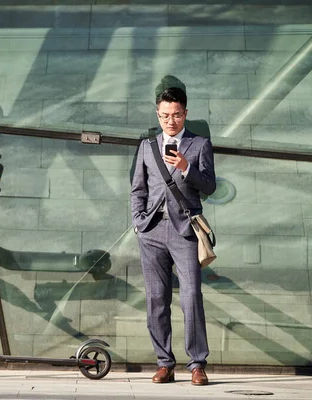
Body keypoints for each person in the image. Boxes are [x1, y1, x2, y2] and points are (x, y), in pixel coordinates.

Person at [130, 86, 216, 385]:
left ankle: (197, 364)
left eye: (177, 115)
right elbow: (138, 188)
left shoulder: (200, 144)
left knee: (191, 296)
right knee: (156, 298)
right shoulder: (146, 146)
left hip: (185, 231)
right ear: (158, 114)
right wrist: (139, 223)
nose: (171, 120)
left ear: (185, 114)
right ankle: (164, 363)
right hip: (152, 231)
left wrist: (186, 167)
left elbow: (209, 186)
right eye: (165, 115)